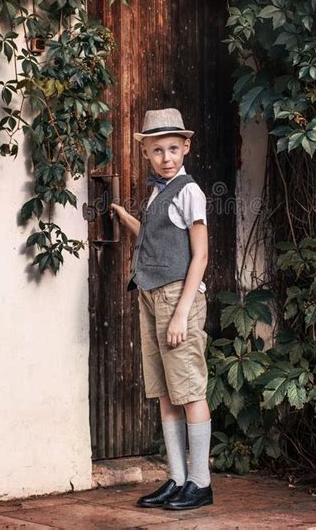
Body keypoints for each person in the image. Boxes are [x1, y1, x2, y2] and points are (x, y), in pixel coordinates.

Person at [110, 107, 213, 511]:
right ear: (147, 154)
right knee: (165, 392)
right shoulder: (158, 192)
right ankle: (177, 478)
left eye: (173, 148)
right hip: (151, 295)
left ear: (185, 147)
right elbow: (155, 240)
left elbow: (200, 255)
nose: (166, 157)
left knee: (188, 389)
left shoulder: (190, 191)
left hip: (177, 297)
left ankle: (200, 483)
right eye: (158, 150)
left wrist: (183, 312)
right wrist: (128, 220)